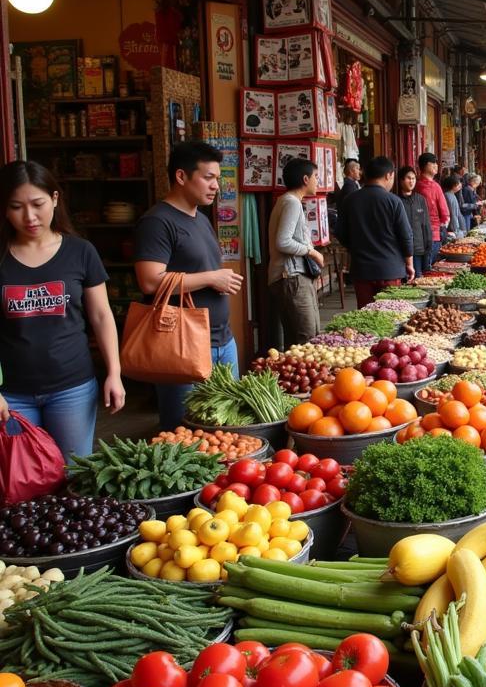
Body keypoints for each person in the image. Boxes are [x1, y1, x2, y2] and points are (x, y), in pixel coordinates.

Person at [0, 161, 125, 460]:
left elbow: (101, 316)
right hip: (12, 394)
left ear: (55, 199)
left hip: (72, 389)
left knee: (72, 475)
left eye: (38, 204)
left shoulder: (81, 252)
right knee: (22, 485)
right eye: (16, 206)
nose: (29, 216)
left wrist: (114, 372)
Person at [136, 142, 243, 431]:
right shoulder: (157, 222)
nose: (216, 186)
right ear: (181, 177)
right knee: (184, 432)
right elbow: (149, 280)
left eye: (218, 178)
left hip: (222, 341)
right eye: (208, 177)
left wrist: (214, 280)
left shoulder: (201, 219)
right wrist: (211, 278)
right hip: (182, 344)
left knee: (226, 431)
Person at [339, 157, 415, 307]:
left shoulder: (350, 200)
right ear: (388, 175)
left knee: (367, 317)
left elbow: (341, 233)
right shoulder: (393, 201)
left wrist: (355, 247)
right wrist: (409, 264)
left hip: (362, 269)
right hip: (390, 269)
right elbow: (406, 236)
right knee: (391, 316)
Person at [267, 157, 323, 348]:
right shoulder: (291, 202)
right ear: (305, 179)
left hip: (291, 277)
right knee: (307, 338)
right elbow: (283, 242)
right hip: (291, 277)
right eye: (316, 176)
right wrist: (312, 252)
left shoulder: (287, 201)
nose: (318, 181)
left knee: (300, 339)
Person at [395, 166, 432, 279]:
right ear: (401, 180)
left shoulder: (420, 199)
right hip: (400, 249)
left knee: (418, 279)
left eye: (413, 178)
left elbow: (425, 224)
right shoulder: (395, 200)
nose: (411, 181)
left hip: (418, 248)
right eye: (408, 178)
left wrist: (428, 244)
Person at [415, 152, 449, 267]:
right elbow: (444, 212)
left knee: (422, 268)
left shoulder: (417, 184)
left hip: (417, 233)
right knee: (429, 268)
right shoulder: (432, 186)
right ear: (424, 165)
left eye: (436, 163)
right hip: (433, 233)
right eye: (433, 163)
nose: (436, 165)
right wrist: (444, 222)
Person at [442, 174, 464, 239]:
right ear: (452, 185)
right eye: (458, 183)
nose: (460, 185)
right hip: (452, 229)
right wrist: (455, 230)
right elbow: (453, 214)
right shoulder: (449, 196)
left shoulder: (451, 194)